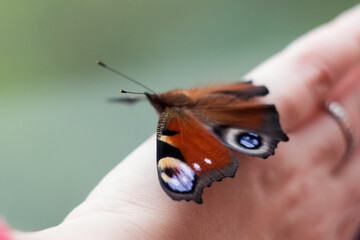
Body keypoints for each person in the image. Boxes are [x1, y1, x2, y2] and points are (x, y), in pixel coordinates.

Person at [2, 4, 360, 240]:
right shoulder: (176, 112)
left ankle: (251, 127)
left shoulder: (173, 122)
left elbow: (178, 171)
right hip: (217, 103)